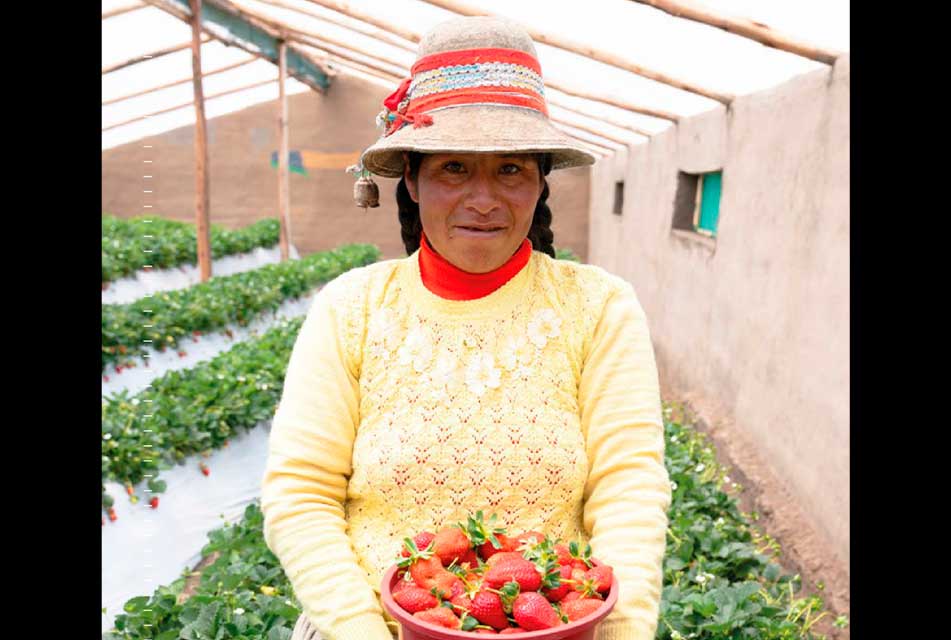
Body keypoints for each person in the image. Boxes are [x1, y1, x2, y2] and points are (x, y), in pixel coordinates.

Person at [261, 15, 671, 640]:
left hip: (556, 627)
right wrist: (363, 629)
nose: (483, 198)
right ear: (413, 182)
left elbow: (630, 485)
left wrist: (617, 631)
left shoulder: (599, 307)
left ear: (539, 183)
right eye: (454, 167)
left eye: (510, 168)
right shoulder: (353, 308)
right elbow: (301, 493)